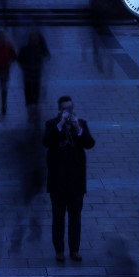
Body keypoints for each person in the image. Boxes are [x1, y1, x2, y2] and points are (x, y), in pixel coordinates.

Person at [42, 95, 95, 262]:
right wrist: (60, 125)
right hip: (58, 182)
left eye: (70, 109)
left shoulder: (81, 124)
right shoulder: (51, 124)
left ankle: (74, 250)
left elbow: (90, 143)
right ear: (59, 110)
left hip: (76, 182)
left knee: (75, 218)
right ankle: (59, 250)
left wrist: (78, 127)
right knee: (58, 218)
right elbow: (46, 141)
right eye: (65, 109)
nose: (68, 112)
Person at [17, 29, 50, 125]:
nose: (34, 41)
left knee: (36, 91)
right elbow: (19, 59)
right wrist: (24, 67)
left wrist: (42, 64)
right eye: (32, 39)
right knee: (28, 92)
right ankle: (30, 111)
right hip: (27, 74)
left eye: (35, 39)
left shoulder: (41, 48)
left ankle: (35, 109)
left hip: (37, 74)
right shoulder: (24, 49)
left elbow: (47, 55)